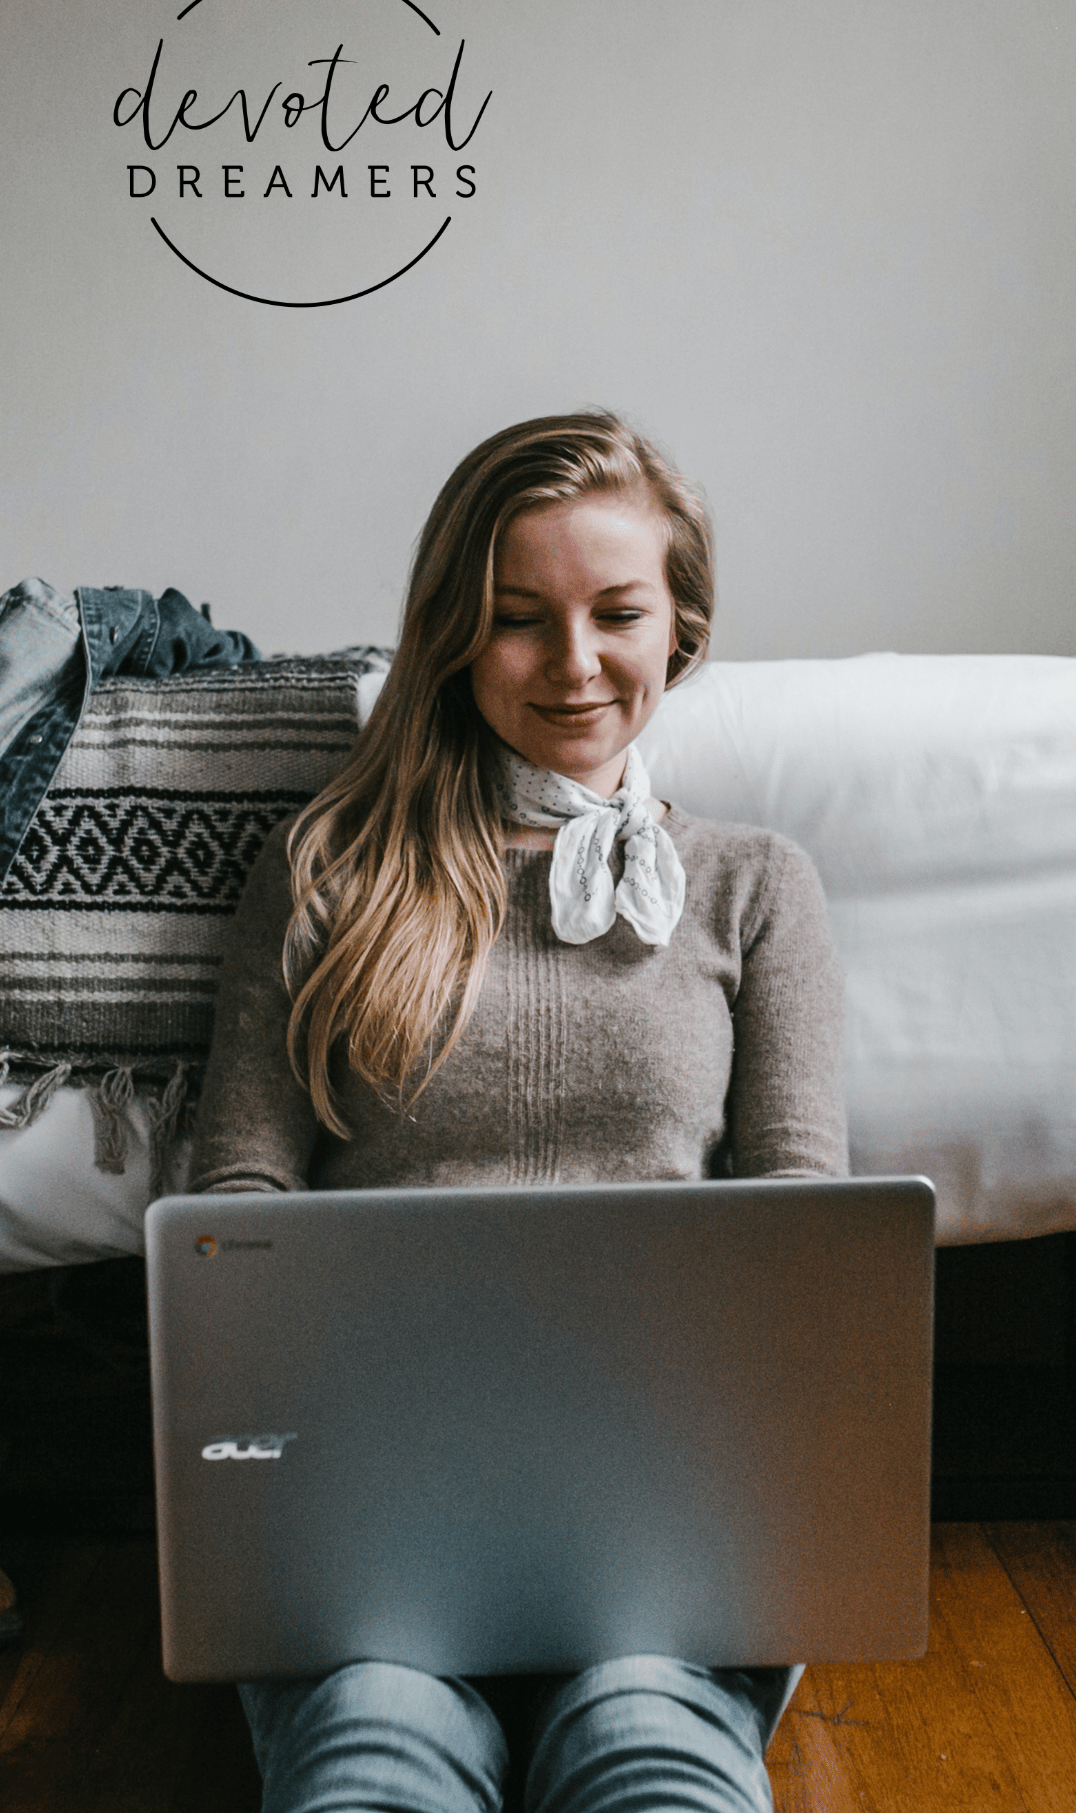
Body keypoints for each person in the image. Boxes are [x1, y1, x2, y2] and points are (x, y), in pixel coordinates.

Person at [187, 411, 848, 1813]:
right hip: (368, 1520)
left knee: (645, 1751)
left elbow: (809, 1241)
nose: (575, 664)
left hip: (671, 1520)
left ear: (684, 626)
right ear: (451, 635)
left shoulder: (756, 885)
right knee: (377, 1746)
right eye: (516, 620)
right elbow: (234, 1211)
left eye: (618, 612)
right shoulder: (325, 875)